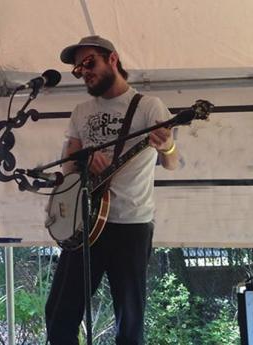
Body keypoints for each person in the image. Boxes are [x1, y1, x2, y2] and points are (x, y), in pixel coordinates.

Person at [45, 35, 179, 345]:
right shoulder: (80, 111)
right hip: (86, 222)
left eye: (89, 62)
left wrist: (168, 145)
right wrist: (84, 159)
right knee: (59, 313)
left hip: (131, 224)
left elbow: (171, 163)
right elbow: (68, 164)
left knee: (129, 321)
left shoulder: (148, 106)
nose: (84, 72)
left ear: (113, 60)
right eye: (78, 69)